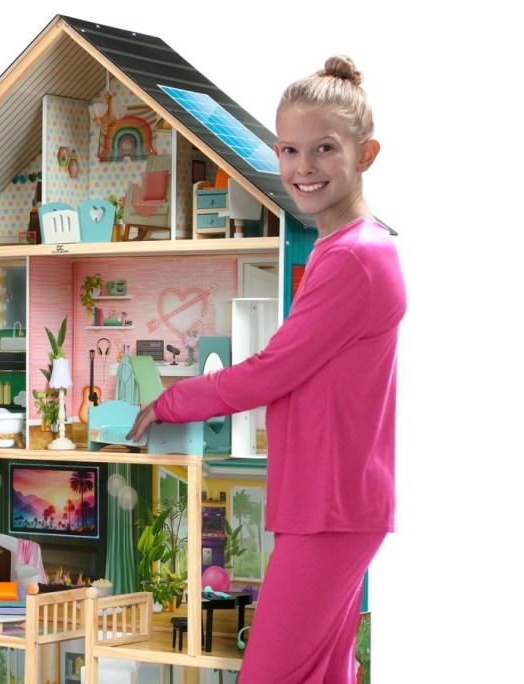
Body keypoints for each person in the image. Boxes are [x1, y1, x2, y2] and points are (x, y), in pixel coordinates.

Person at [127, 55, 405, 684]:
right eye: (289, 149)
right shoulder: (347, 249)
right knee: (324, 674)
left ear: (367, 154)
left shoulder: (355, 259)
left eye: (324, 149)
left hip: (330, 505)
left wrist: (169, 401)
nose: (303, 168)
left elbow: (271, 371)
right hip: (330, 500)